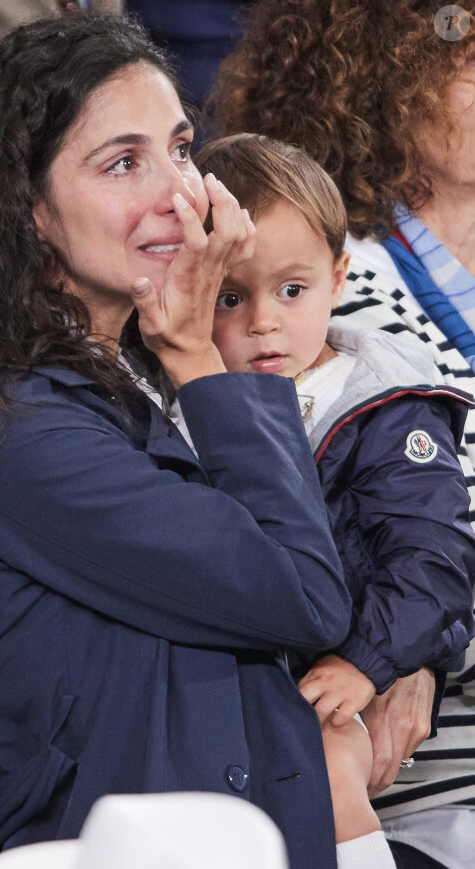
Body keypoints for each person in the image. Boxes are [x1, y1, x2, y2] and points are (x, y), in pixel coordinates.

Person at [0, 13, 353, 869]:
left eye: (181, 150)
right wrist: (200, 358)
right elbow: (300, 593)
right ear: (27, 209)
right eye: (122, 164)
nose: (177, 193)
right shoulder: (15, 429)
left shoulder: (125, 363)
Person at [212, 3, 475, 866]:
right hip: (406, 770)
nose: (263, 318)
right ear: (373, 67)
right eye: (458, 44)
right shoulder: (332, 280)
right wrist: (410, 651)